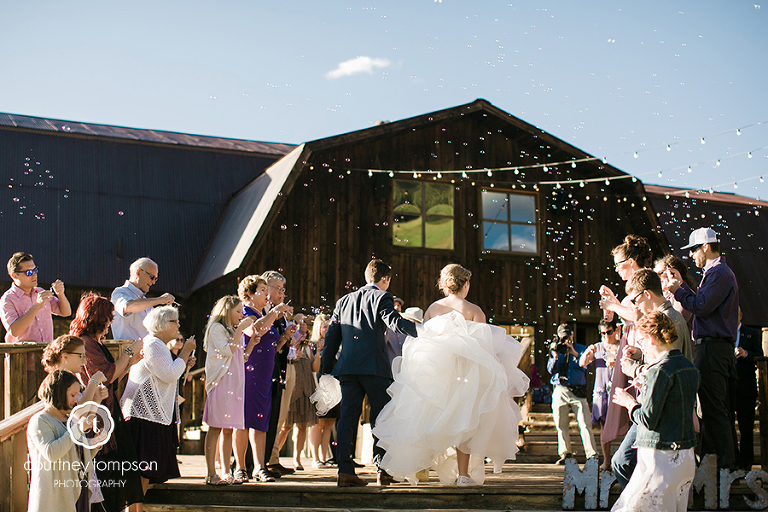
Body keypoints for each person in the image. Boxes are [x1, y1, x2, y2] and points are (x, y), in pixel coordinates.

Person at [374, 264, 528, 487]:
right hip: (467, 377)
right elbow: (485, 350)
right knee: (465, 422)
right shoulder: (475, 311)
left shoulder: (433, 309)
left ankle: (419, 468)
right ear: (465, 284)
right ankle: (463, 475)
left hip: (437, 376)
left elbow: (424, 341)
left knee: (426, 418)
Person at [320, 259, 419, 487]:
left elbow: (331, 337)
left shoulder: (344, 301)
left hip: (348, 368)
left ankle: (345, 471)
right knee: (381, 418)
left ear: (366, 277)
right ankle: (382, 470)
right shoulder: (382, 297)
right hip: (375, 367)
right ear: (385, 279)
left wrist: (326, 370)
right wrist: (422, 330)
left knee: (347, 418)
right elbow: (393, 321)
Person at [611, 268, 694, 487]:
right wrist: (640, 352)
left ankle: (643, 499)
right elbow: (662, 358)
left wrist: (633, 369)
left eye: (635, 300)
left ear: (647, 294)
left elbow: (667, 369)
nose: (635, 306)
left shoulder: (668, 320)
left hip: (659, 410)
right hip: (659, 407)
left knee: (621, 462)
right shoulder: (669, 317)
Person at [666, 227, 739, 469]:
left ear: (706, 247)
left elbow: (701, 306)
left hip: (713, 348)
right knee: (709, 408)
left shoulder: (719, 273)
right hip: (711, 347)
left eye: (694, 249)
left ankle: (725, 468)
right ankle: (715, 466)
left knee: (714, 410)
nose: (691, 255)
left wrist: (678, 291)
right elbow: (701, 302)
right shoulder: (716, 272)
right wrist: (681, 285)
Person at [610, 312, 699, 512]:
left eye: (641, 340)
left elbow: (648, 419)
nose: (641, 345)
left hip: (660, 456)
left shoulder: (659, 370)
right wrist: (648, 387)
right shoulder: (689, 367)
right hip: (685, 455)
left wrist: (629, 403)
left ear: (651, 338)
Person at [70, 294, 145, 512]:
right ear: (97, 317)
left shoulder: (95, 342)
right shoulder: (85, 343)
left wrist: (130, 363)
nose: (111, 321)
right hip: (96, 415)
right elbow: (106, 374)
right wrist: (129, 351)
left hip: (109, 411)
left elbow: (111, 380)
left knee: (123, 469)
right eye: (109, 317)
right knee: (108, 474)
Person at [121, 306, 196, 493]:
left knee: (146, 471)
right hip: (144, 416)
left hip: (150, 415)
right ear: (161, 324)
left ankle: (138, 505)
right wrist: (185, 352)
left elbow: (165, 375)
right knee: (143, 469)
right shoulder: (153, 344)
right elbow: (170, 374)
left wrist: (183, 362)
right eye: (174, 321)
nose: (178, 325)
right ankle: (135, 506)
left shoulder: (157, 344)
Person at [598, 235, 653, 476]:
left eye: (618, 264)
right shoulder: (632, 286)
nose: (616, 269)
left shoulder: (646, 281)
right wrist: (614, 303)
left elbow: (640, 316)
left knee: (639, 396)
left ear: (631, 262)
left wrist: (613, 305)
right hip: (630, 344)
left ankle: (639, 460)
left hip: (641, 347)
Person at [232, 275, 295, 483]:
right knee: (243, 421)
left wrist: (286, 336)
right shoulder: (245, 312)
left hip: (265, 376)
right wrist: (275, 312)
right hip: (248, 373)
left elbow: (273, 348)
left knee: (260, 421)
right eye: (262, 290)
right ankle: (240, 467)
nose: (267, 294)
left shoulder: (264, 314)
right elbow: (255, 331)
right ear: (249, 294)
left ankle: (260, 467)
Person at [40, 335, 109, 509]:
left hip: (76, 459)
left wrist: (97, 401)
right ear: (65, 356)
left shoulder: (72, 380)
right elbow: (76, 415)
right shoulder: (55, 383)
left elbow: (80, 420)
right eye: (80, 356)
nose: (84, 361)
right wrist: (93, 382)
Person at [1, 252, 71, 402]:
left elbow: (66, 312)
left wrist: (61, 294)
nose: (34, 275)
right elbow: (14, 330)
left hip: (48, 363)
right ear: (14, 275)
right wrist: (37, 306)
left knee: (48, 405)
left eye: (35, 270)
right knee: (22, 407)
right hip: (23, 366)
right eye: (28, 272)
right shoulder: (8, 299)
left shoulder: (40, 292)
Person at [201, 295, 256, 485]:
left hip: (234, 384)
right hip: (221, 383)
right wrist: (240, 330)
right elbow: (227, 351)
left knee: (228, 429)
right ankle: (211, 473)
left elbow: (241, 356)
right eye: (238, 311)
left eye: (242, 311)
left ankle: (226, 472)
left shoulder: (232, 330)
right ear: (226, 311)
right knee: (215, 427)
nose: (242, 315)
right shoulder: (217, 328)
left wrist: (251, 344)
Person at [27, 370, 99, 512]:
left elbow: (79, 458)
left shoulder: (71, 420)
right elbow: (51, 453)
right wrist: (78, 429)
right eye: (72, 395)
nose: (76, 400)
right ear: (58, 393)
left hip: (78, 490)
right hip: (54, 496)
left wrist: (95, 444)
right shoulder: (40, 420)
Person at [262, 270, 297, 477]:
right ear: (266, 289)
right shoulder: (262, 312)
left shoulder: (279, 315)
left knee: (275, 417)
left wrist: (286, 336)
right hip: (264, 371)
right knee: (265, 418)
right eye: (279, 289)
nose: (283, 294)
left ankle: (267, 461)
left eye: (284, 290)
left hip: (278, 369)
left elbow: (277, 345)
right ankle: (259, 462)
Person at [547, 323, 598, 465]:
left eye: (568, 336)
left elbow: (587, 364)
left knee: (585, 423)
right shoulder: (556, 348)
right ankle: (565, 453)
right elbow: (550, 370)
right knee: (561, 423)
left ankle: (591, 454)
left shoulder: (581, 349)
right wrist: (555, 356)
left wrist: (574, 352)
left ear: (572, 335)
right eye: (563, 337)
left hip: (577, 390)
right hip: (560, 389)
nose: (566, 339)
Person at [579, 319, 619, 471]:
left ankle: (625, 460)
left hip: (618, 388)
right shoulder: (597, 347)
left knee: (624, 423)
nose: (606, 336)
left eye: (609, 332)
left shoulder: (622, 345)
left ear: (615, 330)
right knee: (604, 425)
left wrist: (617, 363)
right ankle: (607, 461)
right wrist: (587, 353)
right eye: (602, 333)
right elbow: (582, 363)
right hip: (601, 389)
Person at [280, 317, 317, 471]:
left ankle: (297, 459)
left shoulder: (308, 348)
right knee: (286, 426)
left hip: (306, 389)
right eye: (299, 328)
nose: (303, 331)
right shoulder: (289, 346)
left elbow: (315, 368)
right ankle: (273, 454)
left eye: (305, 329)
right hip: (292, 389)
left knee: (302, 426)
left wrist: (318, 352)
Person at [111, 257, 175, 340]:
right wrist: (159, 300)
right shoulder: (119, 292)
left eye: (155, 279)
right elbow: (128, 306)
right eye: (152, 277)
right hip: (128, 348)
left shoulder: (146, 301)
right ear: (138, 273)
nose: (153, 282)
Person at [732, 308, 763, 471]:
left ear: (740, 316)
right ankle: (733, 460)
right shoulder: (724, 333)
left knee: (746, 427)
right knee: (729, 427)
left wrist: (746, 353)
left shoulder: (751, 333)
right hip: (730, 386)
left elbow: (759, 356)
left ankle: (746, 463)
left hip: (746, 387)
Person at [308, 314, 337, 468]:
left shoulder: (334, 343)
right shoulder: (313, 345)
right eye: (324, 326)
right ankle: (315, 458)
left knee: (329, 422)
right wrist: (318, 351)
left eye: (329, 326)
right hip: (319, 384)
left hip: (334, 384)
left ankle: (324, 458)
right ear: (318, 328)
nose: (327, 329)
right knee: (318, 423)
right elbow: (314, 367)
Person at [653, 255, 694, 326]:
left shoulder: (685, 294)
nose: (657, 278)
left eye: (661, 273)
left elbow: (676, 322)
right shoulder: (664, 296)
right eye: (655, 275)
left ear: (673, 273)